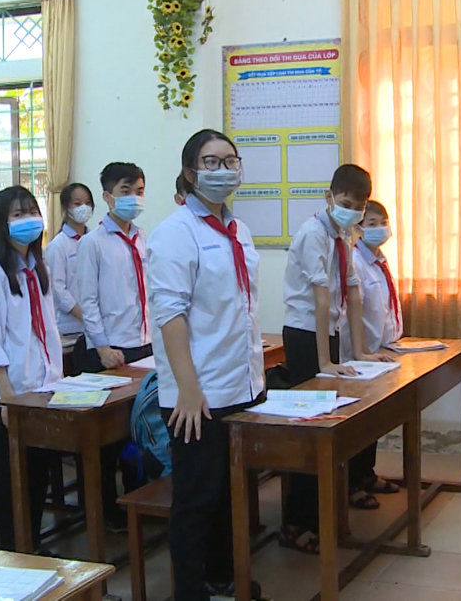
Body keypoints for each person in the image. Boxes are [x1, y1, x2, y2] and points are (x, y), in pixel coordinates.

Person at [150, 129, 266, 600]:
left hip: (241, 383)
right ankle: (190, 591)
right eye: (211, 162)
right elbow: (170, 316)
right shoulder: (174, 233)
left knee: (229, 495)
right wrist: (189, 389)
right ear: (190, 173)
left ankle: (222, 576)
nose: (223, 170)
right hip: (197, 393)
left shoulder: (238, 230)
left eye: (230, 161)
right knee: (196, 500)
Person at [277, 163, 393, 554]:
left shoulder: (343, 234)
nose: (353, 211)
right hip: (305, 336)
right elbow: (320, 297)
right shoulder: (313, 233)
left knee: (332, 425)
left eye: (359, 206)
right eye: (346, 203)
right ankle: (297, 522)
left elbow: (353, 293)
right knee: (313, 430)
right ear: (329, 197)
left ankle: (321, 511)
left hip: (329, 335)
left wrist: (360, 352)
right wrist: (325, 363)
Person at [0, 185, 63, 551]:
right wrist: (8, 399)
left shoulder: (39, 269)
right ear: (2, 223)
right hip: (11, 395)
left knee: (38, 473)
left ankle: (33, 545)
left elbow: (48, 330)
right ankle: (13, 551)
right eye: (17, 214)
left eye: (32, 211)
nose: (28, 220)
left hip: (44, 388)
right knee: (12, 479)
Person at [76, 161, 149, 530]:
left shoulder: (144, 239)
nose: (133, 198)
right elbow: (87, 300)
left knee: (139, 430)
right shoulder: (93, 243)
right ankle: (105, 509)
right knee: (107, 439)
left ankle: (139, 500)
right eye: (125, 191)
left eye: (139, 191)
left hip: (143, 346)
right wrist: (101, 346)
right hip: (109, 351)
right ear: (107, 196)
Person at [338, 200, 403, 506]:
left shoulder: (379, 259)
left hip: (381, 351)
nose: (380, 229)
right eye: (372, 223)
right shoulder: (355, 261)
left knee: (374, 419)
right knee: (358, 423)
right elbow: (354, 310)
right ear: (359, 228)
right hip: (358, 355)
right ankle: (351, 484)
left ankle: (367, 474)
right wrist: (362, 352)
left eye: (383, 222)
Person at [45, 182, 94, 337]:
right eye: (77, 204)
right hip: (69, 327)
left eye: (88, 203)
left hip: (95, 323)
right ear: (65, 208)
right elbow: (57, 288)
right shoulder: (58, 245)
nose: (83, 208)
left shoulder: (94, 240)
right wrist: (80, 313)